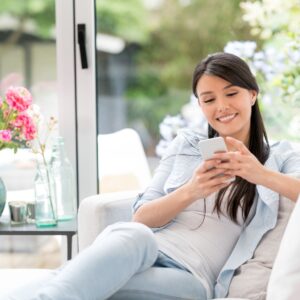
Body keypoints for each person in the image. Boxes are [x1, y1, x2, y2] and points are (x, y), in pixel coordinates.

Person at [8, 52, 300, 300]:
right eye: (208, 99)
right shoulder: (186, 145)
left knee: (75, 282)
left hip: (191, 276)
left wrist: (258, 173)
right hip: (143, 250)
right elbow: (141, 218)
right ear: (200, 106)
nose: (221, 107)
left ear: (252, 94)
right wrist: (191, 190)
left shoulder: (280, 156)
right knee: (130, 237)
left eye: (232, 93)